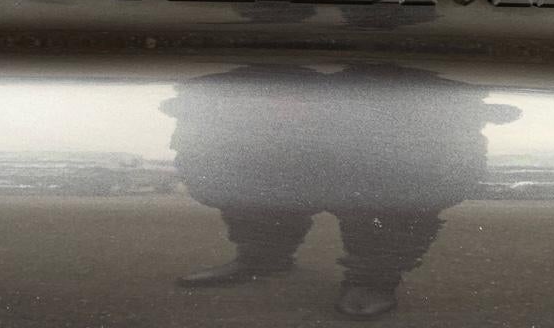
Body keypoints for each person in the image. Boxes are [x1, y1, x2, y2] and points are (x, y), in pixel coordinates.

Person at [160, 64, 520, 319]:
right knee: (247, 171)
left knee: (395, 178)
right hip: (255, 64)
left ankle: (374, 276)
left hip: (403, 73)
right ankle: (262, 255)